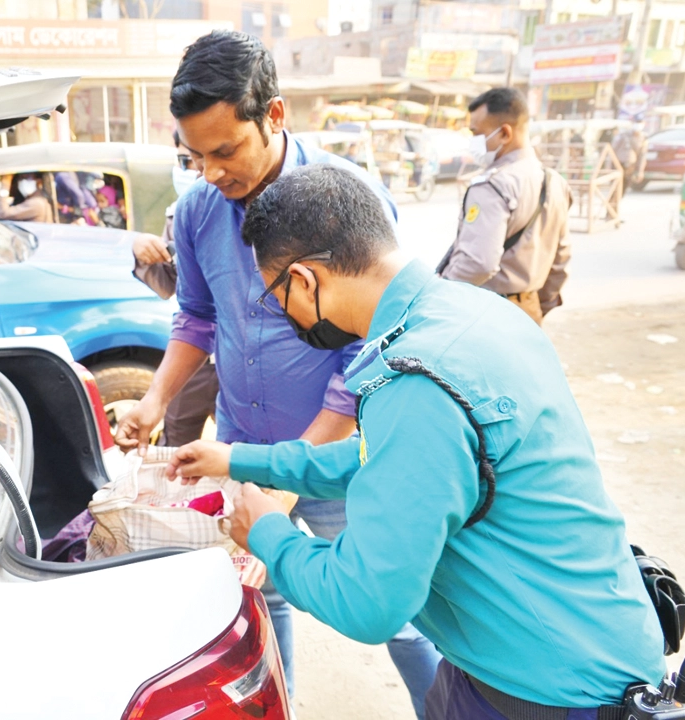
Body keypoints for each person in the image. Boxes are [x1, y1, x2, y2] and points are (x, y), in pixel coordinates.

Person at [167, 163, 668, 719]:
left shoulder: (418, 381)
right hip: (548, 647)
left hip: (548, 690)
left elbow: (367, 602)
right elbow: (388, 460)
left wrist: (268, 533)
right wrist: (240, 459)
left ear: (305, 280)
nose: (282, 314)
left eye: (274, 297)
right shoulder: (472, 312)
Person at [111, 29, 442, 716]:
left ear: (275, 115)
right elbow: (196, 317)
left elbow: (367, 351)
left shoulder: (346, 200)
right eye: (194, 156)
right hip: (243, 447)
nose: (210, 173)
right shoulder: (198, 209)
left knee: (403, 614)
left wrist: (294, 473)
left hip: (343, 454)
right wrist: (154, 400)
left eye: (225, 150)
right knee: (262, 595)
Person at [437, 87, 572, 326]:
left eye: (476, 133)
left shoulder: (492, 186)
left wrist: (441, 295)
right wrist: (537, 304)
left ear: (504, 133)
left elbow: (478, 263)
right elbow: (560, 259)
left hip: (488, 313)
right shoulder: (555, 181)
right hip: (529, 309)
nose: (473, 142)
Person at [130, 130, 219, 446]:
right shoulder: (180, 213)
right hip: (194, 358)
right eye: (185, 160)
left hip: (239, 361)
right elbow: (172, 287)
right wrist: (143, 253)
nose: (195, 168)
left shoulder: (247, 208)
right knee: (177, 440)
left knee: (240, 450)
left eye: (200, 157)